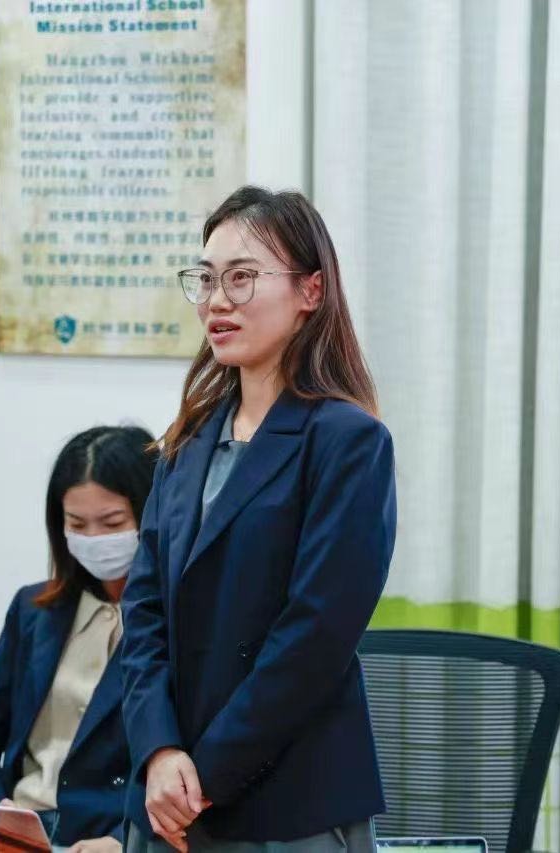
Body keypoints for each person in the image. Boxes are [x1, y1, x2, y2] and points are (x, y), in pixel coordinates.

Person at [120, 186, 397, 852]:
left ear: (310, 290)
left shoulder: (348, 441)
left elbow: (313, 637)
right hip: (166, 795)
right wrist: (159, 750)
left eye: (242, 277)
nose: (217, 300)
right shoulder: (185, 443)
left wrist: (203, 776)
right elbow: (143, 611)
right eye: (206, 279)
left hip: (286, 800)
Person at [0, 425, 157, 852]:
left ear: (151, 514)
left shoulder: (176, 623)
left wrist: (125, 841)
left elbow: (190, 765)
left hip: (109, 839)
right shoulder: (34, 610)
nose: (94, 539)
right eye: (77, 524)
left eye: (113, 523)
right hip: (20, 830)